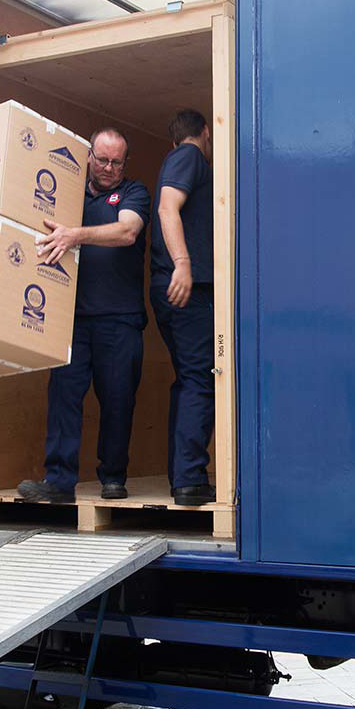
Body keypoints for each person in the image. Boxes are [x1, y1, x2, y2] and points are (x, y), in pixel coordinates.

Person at [17, 128, 150, 503]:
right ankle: (58, 482)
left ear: (126, 162)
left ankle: (112, 477)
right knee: (63, 397)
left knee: (118, 399)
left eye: (116, 162)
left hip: (120, 319)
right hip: (72, 319)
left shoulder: (134, 192)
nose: (108, 168)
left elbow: (127, 231)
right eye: (102, 159)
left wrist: (75, 235)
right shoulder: (66, 194)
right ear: (89, 156)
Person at [150, 109, 216, 506]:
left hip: (172, 287)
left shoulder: (175, 156)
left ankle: (182, 474)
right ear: (205, 133)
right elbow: (166, 206)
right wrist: (184, 264)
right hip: (185, 287)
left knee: (187, 379)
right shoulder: (190, 156)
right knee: (201, 379)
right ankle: (191, 478)